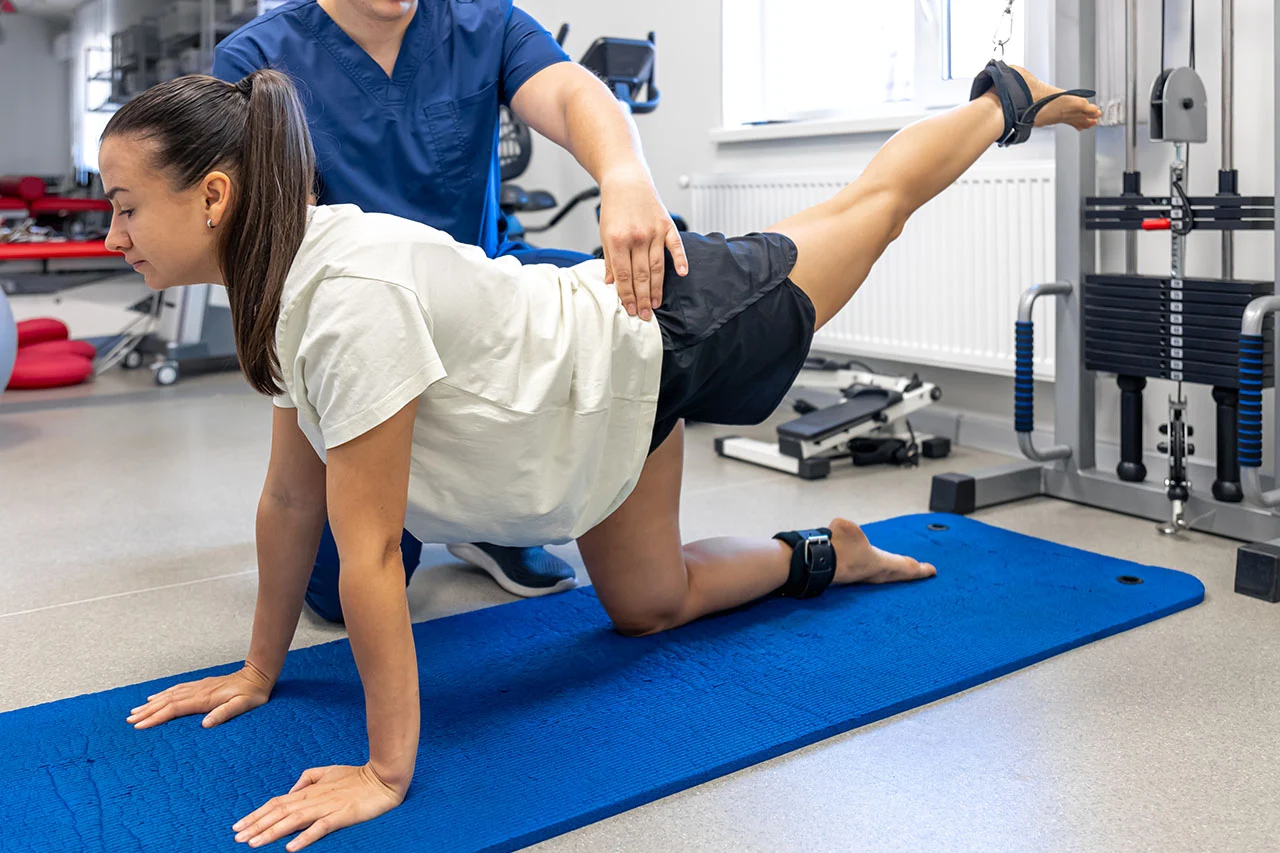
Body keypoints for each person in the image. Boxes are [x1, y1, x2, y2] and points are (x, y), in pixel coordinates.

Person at [106, 63, 1098, 851]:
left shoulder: (345, 297)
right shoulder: (284, 282)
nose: (113, 234)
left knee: (872, 209)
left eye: (123, 205)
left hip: (661, 326)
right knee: (646, 605)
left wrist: (386, 772)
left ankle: (999, 99)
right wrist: (257, 669)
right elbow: (289, 499)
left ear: (214, 197)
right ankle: (828, 554)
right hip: (591, 410)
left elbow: (366, 552)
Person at [212, 0, 691, 614]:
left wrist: (624, 175)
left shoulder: (482, 23)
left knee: (623, 302)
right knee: (337, 597)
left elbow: (572, 91)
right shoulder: (256, 57)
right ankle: (455, 504)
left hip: (484, 297)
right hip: (363, 332)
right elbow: (246, 228)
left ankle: (494, 521)